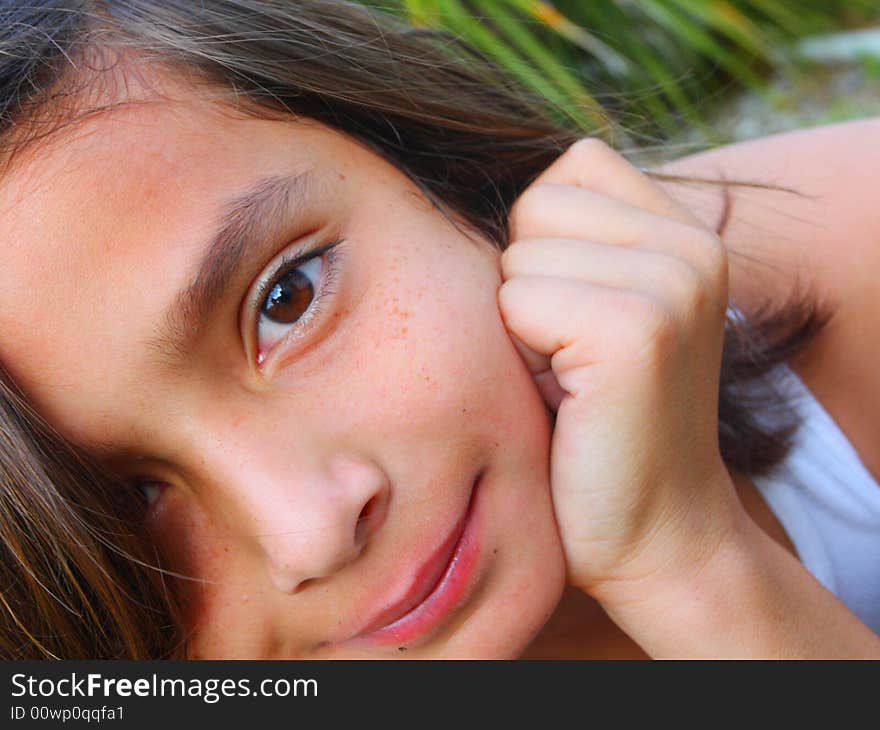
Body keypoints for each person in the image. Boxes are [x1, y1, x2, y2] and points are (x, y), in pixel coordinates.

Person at [0, 0, 877, 659]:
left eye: (287, 300)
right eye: (124, 500)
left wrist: (690, 563)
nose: (311, 529)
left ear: (432, 165)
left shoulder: (852, 248)